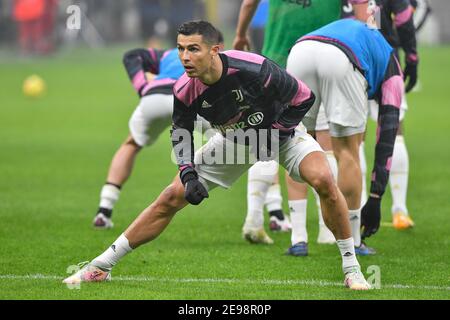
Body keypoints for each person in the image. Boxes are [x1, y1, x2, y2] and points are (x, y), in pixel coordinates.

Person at [64, 20, 371, 290]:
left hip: (282, 133)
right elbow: (181, 133)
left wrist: (275, 132)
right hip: (234, 140)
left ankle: (351, 268)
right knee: (171, 196)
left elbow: (303, 98)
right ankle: (99, 266)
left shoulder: (254, 68)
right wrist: (187, 173)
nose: (185, 57)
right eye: (181, 49)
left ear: (215, 50)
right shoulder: (184, 89)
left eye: (194, 49)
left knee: (324, 180)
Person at [233, 0, 370, 252]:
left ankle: (270, 225)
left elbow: (250, 2)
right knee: (324, 145)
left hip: (276, 60)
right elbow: (363, 15)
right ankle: (327, 230)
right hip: (326, 56)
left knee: (271, 142)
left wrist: (241, 34)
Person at [287, 18, 404, 247]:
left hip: (299, 51)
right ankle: (354, 240)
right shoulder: (394, 72)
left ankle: (298, 238)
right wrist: (375, 198)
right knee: (347, 152)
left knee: (298, 145)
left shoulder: (367, 39)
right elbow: (387, 136)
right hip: (340, 58)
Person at [93, 35, 224, 229]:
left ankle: (104, 210)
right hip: (189, 97)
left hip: (153, 98)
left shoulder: (168, 54)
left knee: (131, 144)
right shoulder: (217, 58)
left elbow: (132, 55)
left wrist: (142, 88)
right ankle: (271, 211)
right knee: (240, 141)